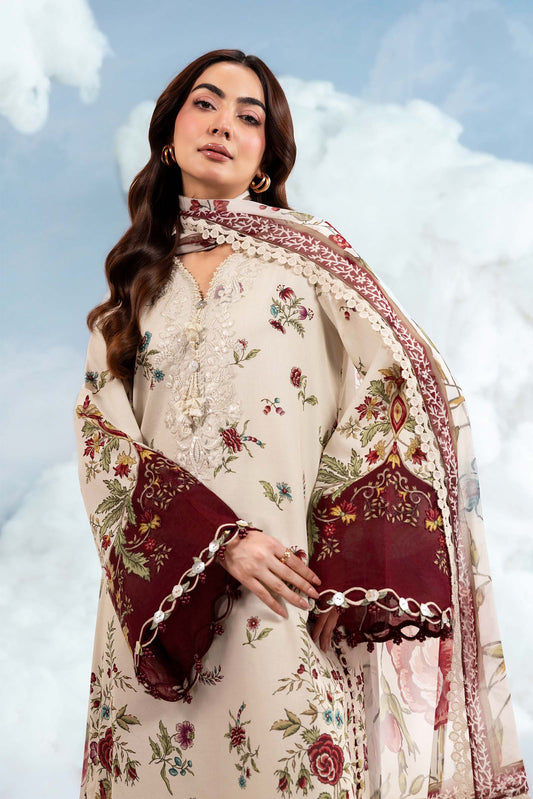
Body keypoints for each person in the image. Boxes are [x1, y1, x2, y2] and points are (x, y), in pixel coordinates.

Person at [75, 49, 529, 799]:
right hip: (162, 612)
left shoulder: (313, 265)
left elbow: (405, 392)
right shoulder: (130, 295)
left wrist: (351, 574)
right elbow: (104, 447)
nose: (223, 124)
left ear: (265, 161)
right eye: (205, 104)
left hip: (285, 590)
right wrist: (220, 541)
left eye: (248, 116)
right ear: (168, 137)